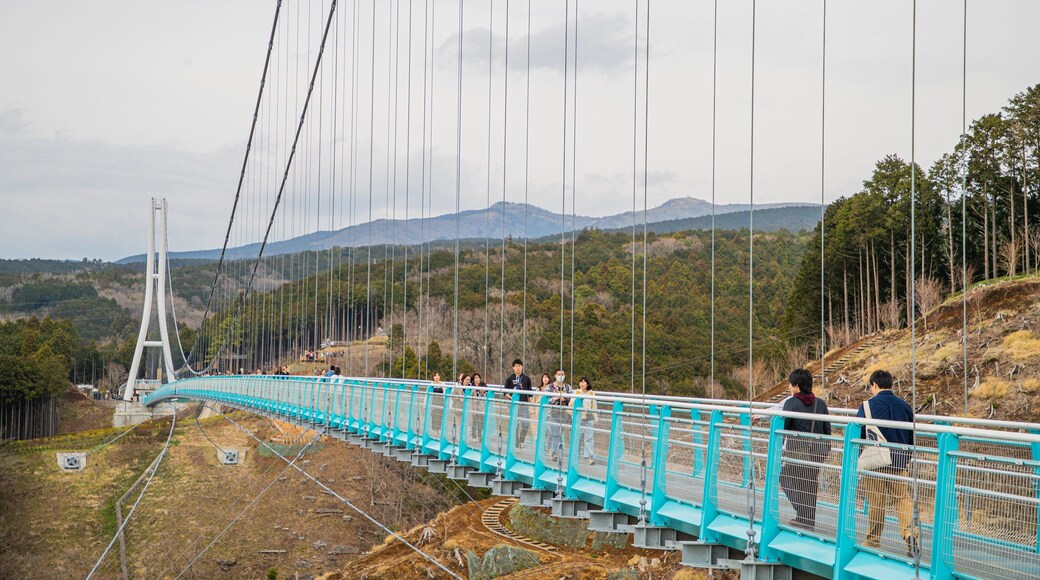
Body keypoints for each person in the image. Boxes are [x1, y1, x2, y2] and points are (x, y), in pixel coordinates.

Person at [856, 369, 916, 556]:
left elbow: (859, 435)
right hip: (899, 461)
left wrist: (859, 458)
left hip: (875, 462)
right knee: (902, 499)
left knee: (876, 502)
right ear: (891, 384)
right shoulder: (905, 406)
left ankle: (873, 540)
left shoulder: (866, 406)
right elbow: (911, 436)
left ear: (874, 385)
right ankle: (909, 534)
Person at [778, 368, 832, 530]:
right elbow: (827, 429)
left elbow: (784, 428)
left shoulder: (791, 403)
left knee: (785, 478)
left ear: (796, 385)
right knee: (810, 484)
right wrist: (825, 449)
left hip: (798, 451)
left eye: (790, 384)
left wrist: (780, 448)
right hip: (817, 452)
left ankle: (802, 513)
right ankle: (808, 520)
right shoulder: (820, 404)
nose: (789, 387)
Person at [505, 359, 533, 449]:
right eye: (516, 366)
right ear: (513, 368)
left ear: (522, 367)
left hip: (524, 404)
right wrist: (511, 398)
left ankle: (521, 440)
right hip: (514, 405)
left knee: (525, 424)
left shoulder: (526, 379)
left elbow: (530, 394)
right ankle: (517, 444)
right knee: (515, 424)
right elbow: (505, 393)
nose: (518, 368)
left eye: (519, 366)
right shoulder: (509, 379)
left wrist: (531, 406)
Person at [545, 369, 572, 462]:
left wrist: (564, 398)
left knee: (560, 434)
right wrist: (556, 398)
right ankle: (554, 453)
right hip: (554, 412)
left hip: (565, 413)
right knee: (555, 433)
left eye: (563, 374)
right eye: (559, 374)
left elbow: (571, 399)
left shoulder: (568, 387)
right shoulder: (550, 387)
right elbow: (546, 399)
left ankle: (557, 451)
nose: (561, 376)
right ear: (555, 375)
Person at [576, 377, 598, 465]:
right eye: (580, 382)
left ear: (587, 384)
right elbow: (572, 404)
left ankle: (589, 457)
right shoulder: (577, 392)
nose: (581, 384)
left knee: (589, 438)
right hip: (579, 417)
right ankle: (575, 455)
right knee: (578, 437)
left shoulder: (592, 393)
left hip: (589, 417)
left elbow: (594, 406)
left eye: (584, 382)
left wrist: (596, 418)